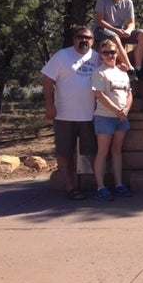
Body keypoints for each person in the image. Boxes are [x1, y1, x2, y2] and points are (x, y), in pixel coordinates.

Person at [41, 26, 100, 200]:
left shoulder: (97, 57)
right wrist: (49, 105)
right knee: (65, 152)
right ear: (74, 39)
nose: (84, 40)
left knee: (93, 152)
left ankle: (100, 186)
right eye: (80, 37)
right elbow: (47, 80)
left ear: (93, 41)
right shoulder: (62, 56)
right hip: (64, 115)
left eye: (88, 38)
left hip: (89, 115)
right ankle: (70, 186)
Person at [91, 38, 133, 201]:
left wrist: (125, 110)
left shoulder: (123, 73)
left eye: (113, 52)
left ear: (117, 53)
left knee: (116, 151)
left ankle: (119, 184)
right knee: (103, 152)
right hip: (105, 117)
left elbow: (129, 94)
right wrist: (117, 110)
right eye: (106, 52)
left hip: (122, 118)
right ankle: (100, 187)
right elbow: (99, 95)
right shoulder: (99, 73)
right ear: (101, 55)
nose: (110, 55)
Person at [93, 0, 143, 81]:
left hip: (120, 30)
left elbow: (131, 23)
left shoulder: (128, 2)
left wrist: (128, 31)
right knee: (115, 37)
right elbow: (100, 21)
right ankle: (130, 68)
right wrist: (116, 30)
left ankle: (138, 68)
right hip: (101, 29)